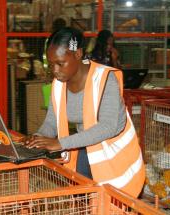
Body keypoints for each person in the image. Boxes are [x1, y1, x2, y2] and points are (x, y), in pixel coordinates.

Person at [26, 27, 145, 198]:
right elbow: (51, 122)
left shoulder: (104, 79)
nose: (55, 70)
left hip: (117, 158)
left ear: (78, 54)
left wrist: (60, 143)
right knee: (86, 201)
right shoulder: (59, 83)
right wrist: (37, 139)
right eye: (51, 65)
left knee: (115, 204)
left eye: (60, 63)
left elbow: (108, 126)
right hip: (87, 149)